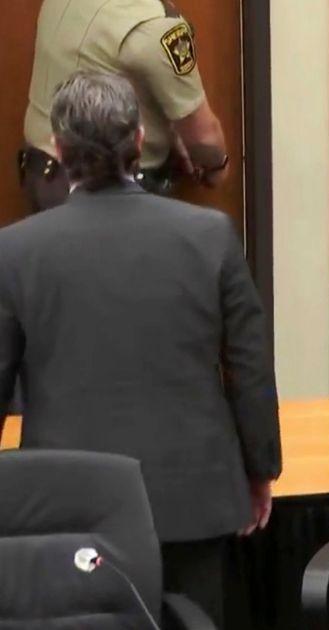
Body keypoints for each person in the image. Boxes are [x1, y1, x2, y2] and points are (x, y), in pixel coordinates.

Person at [0, 71, 278, 626]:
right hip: (193, 503)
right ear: (138, 140)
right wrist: (259, 470)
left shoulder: (15, 251)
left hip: (67, 508)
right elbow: (249, 365)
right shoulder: (210, 236)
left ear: (58, 148)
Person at [19, 0, 228, 214]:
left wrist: (172, 134)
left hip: (43, 173)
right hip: (108, 197)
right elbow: (204, 137)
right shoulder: (153, 27)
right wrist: (216, 168)